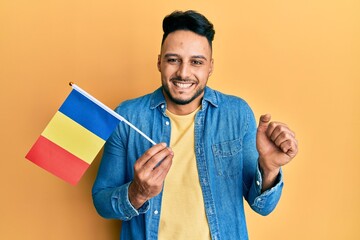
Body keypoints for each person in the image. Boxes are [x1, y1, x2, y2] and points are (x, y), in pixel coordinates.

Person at [92, 10, 298, 240]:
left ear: (210, 66)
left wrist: (269, 168)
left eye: (196, 62)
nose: (183, 72)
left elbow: (263, 206)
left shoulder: (237, 114)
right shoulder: (127, 117)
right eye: (173, 60)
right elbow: (101, 201)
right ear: (159, 62)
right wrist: (137, 193)